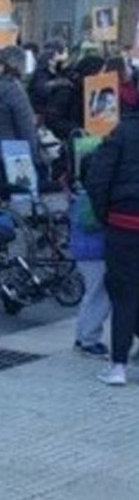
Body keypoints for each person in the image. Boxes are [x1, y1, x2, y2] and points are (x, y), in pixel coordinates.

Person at [82, 62, 139, 386]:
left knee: (124, 293)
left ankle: (118, 365)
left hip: (124, 222)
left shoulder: (121, 130)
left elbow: (98, 177)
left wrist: (105, 214)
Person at [0, 45, 41, 174]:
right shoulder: (14, 90)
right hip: (15, 152)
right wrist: (35, 159)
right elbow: (26, 128)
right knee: (20, 191)